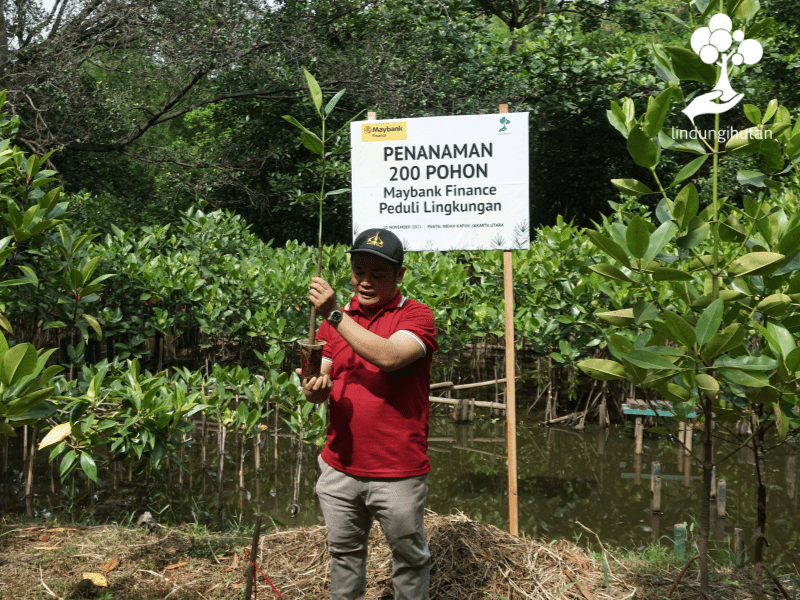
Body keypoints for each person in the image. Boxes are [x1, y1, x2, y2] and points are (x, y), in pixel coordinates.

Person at [295, 228, 438, 600]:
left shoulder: (417, 315)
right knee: (343, 555)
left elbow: (389, 357)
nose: (366, 282)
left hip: (397, 470)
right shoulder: (336, 321)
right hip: (340, 465)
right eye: (360, 272)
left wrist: (335, 313)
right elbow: (322, 379)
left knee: (409, 558)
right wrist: (315, 389)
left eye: (379, 274)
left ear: (400, 276)